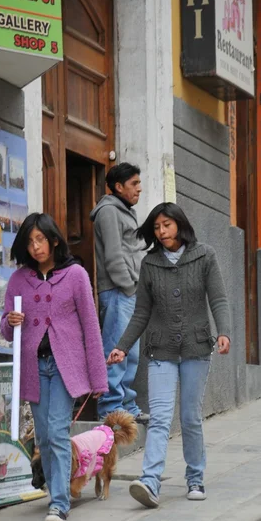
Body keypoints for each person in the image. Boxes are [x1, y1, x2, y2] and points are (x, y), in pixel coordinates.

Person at [107, 202, 231, 506]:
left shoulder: (205, 255)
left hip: (196, 348)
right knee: (160, 417)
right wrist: (122, 346)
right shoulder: (150, 263)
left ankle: (195, 477)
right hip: (161, 350)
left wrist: (224, 332)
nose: (161, 232)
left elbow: (218, 298)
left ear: (180, 224)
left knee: (190, 417)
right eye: (157, 227)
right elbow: (141, 313)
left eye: (167, 225)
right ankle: (150, 482)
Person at [0, 213, 108, 521]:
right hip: (35, 366)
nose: (35, 247)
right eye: (30, 242)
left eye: (40, 240)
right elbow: (6, 329)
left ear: (54, 240)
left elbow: (91, 326)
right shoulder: (19, 279)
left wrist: (98, 377)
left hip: (65, 368)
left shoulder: (75, 275)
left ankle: (59, 504)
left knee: (58, 432)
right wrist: (11, 322)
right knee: (44, 437)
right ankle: (56, 493)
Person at [90, 163, 148, 423]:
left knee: (130, 352)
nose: (139, 188)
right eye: (134, 184)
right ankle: (110, 408)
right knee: (115, 350)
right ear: (118, 187)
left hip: (130, 292)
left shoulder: (124, 210)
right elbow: (114, 257)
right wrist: (129, 287)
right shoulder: (109, 211)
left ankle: (127, 405)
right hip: (117, 292)